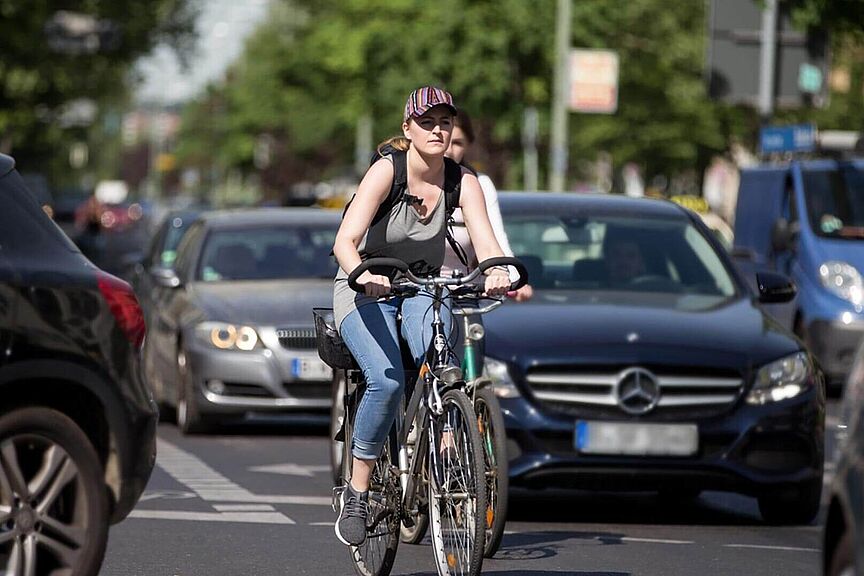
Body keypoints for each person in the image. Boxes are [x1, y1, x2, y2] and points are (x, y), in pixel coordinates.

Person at [331, 86, 511, 547]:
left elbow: (486, 242)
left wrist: (495, 271)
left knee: (440, 362)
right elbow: (344, 242)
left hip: (421, 287)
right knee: (386, 379)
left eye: (444, 122)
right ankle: (357, 491)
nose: (437, 130)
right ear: (407, 128)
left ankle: (441, 445)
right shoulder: (386, 171)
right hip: (364, 286)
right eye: (426, 122)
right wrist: (363, 275)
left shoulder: (463, 181)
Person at [442, 111, 533, 301]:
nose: (448, 150)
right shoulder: (405, 178)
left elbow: (494, 238)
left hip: (462, 291)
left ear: (468, 146)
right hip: (413, 290)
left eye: (457, 143)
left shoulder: (477, 183)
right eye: (443, 140)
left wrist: (510, 277)